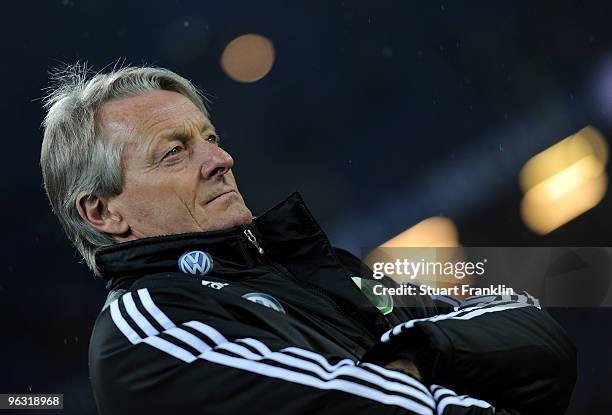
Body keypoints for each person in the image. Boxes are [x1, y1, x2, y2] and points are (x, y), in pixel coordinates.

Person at [40, 64, 576, 415]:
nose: (221, 161)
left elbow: (534, 329)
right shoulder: (147, 334)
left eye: (211, 138)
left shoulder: (315, 272)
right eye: (174, 152)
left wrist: (415, 354)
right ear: (103, 212)